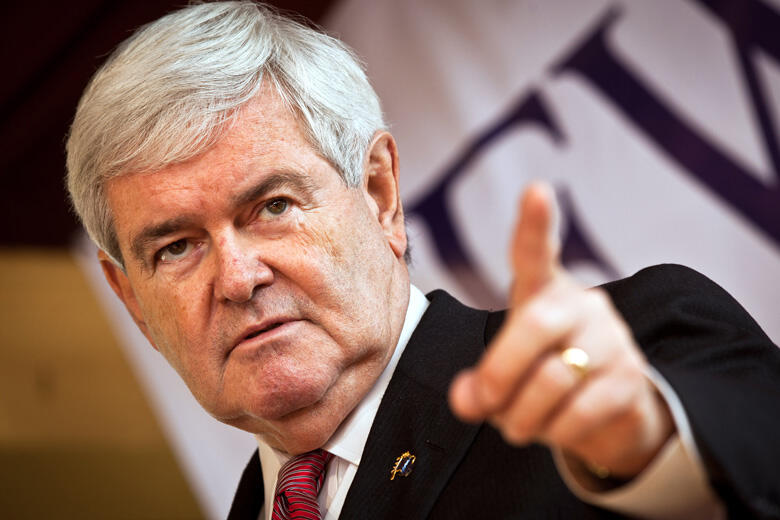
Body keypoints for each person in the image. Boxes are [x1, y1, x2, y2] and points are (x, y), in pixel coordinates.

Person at [65, 2, 780, 518]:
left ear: (379, 194)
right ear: (132, 299)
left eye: (273, 206)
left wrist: (645, 447)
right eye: (177, 246)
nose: (238, 278)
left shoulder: (638, 344)